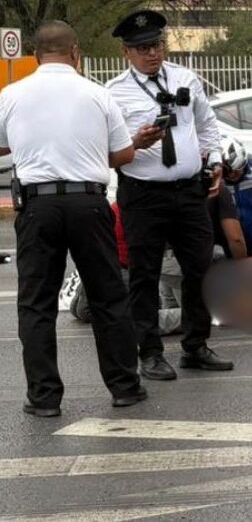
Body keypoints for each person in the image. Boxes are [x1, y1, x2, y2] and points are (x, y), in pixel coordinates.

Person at [0, 21, 146, 416]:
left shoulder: (11, 94)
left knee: (36, 304)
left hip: (37, 206)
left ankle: (44, 398)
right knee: (108, 296)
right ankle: (124, 387)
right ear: (76, 52)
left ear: (35, 55)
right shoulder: (98, 94)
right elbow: (124, 154)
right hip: (88, 203)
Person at [106, 9, 233, 380]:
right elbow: (106, 149)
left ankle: (196, 346)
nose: (153, 53)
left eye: (157, 45)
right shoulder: (113, 92)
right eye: (143, 48)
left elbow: (207, 125)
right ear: (126, 52)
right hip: (142, 194)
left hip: (188, 191)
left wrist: (214, 161)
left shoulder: (184, 78)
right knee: (144, 275)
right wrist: (135, 142)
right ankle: (150, 353)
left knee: (200, 268)